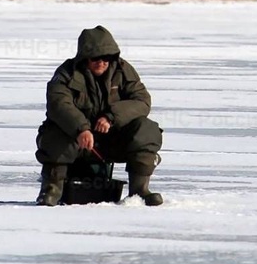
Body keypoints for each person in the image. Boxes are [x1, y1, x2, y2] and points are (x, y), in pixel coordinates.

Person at [34, 25, 163, 206]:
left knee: (146, 129)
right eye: (95, 58)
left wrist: (112, 117)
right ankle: (52, 189)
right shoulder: (66, 73)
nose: (101, 62)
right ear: (85, 57)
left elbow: (142, 101)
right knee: (54, 131)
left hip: (111, 140)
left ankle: (139, 191)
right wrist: (81, 129)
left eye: (107, 57)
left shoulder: (124, 71)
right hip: (76, 142)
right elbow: (58, 105)